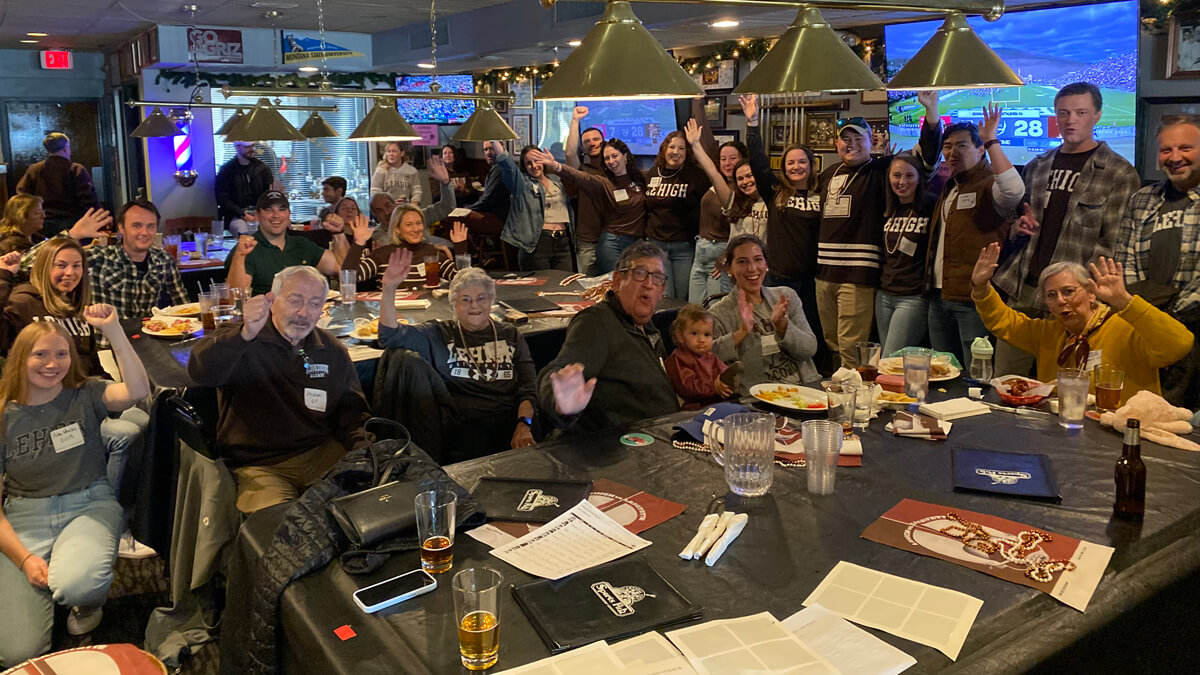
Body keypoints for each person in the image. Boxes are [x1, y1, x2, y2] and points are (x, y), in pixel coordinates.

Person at [0, 307, 150, 663]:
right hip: (24, 515)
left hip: (88, 503)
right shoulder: (4, 415)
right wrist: (23, 560)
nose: (52, 364)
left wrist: (113, 330)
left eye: (61, 354)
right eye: (41, 354)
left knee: (77, 584)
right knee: (16, 653)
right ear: (21, 358)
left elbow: (138, 389)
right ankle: (47, 582)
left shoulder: (85, 394)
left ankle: (83, 603)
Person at [0, 240, 152, 558]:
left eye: (76, 266)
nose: (70, 273)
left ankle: (131, 511)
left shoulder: (75, 306)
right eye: (61, 265)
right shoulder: (25, 301)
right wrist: (3, 278)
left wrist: (108, 390)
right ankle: (114, 521)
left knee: (144, 416)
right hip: (51, 410)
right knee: (125, 435)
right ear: (43, 267)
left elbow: (88, 365)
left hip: (84, 397)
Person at [187, 266, 372, 514]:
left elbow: (353, 415)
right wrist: (243, 335)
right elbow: (200, 371)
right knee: (278, 529)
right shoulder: (244, 339)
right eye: (295, 300)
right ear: (271, 301)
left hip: (320, 453)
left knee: (363, 511)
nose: (304, 313)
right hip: (259, 465)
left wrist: (366, 458)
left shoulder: (331, 349)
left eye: (315, 304)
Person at [990, 82, 1141, 376]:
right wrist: (1019, 227)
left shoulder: (1119, 173)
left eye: (1080, 112)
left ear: (1097, 115)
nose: (1071, 120)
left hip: (1075, 304)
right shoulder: (1037, 165)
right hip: (1025, 291)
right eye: (1063, 113)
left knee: (1069, 394)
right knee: (1006, 387)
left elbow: (1115, 247)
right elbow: (1019, 223)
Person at [972, 244, 1192, 406]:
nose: (1060, 301)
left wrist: (1125, 300)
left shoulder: (1125, 327)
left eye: (1068, 291)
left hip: (1122, 431)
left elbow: (1180, 344)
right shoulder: (1051, 332)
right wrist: (981, 287)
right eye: (1051, 295)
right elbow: (1005, 323)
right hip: (1060, 428)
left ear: (1091, 293)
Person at [816, 92, 942, 368]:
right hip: (824, 273)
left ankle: (853, 400)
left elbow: (928, 156)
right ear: (836, 143)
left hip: (858, 274)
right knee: (832, 344)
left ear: (870, 141)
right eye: (845, 140)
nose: (851, 145)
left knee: (851, 349)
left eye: (858, 139)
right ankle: (841, 391)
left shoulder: (881, 171)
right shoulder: (828, 174)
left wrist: (931, 111)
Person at [378, 261, 537, 461]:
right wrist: (389, 289)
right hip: (463, 425)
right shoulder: (439, 333)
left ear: (491, 300)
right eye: (466, 300)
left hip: (510, 417)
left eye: (481, 298)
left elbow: (528, 388)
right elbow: (389, 336)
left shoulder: (510, 333)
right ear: (454, 304)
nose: (475, 306)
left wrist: (524, 424)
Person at [538, 241, 679, 433]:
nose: (648, 284)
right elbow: (557, 369)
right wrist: (560, 403)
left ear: (662, 291)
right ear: (617, 281)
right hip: (620, 449)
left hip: (658, 441)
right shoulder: (597, 322)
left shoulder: (650, 329)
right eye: (639, 273)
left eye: (657, 278)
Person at [926, 107, 1024, 365]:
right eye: (947, 146)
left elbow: (1014, 192)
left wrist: (991, 140)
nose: (952, 152)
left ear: (980, 150)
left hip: (973, 300)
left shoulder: (990, 182)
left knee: (976, 377)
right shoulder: (951, 185)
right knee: (943, 374)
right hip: (939, 295)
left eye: (962, 146)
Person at [1116, 114, 1200, 408]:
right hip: (1147, 327)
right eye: (1166, 150)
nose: (1175, 157)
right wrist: (1145, 313)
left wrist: (1171, 314)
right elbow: (1124, 262)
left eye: (1185, 148)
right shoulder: (1143, 199)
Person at [22, 198, 187, 320]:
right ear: (121, 228)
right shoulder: (99, 257)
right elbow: (25, 261)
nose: (144, 232)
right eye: (136, 225)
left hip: (148, 342)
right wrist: (73, 234)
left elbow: (183, 305)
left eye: (150, 226)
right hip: (105, 346)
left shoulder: (163, 259)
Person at [709, 234, 819, 392]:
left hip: (806, 388)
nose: (752, 268)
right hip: (760, 399)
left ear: (766, 264)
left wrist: (784, 328)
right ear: (729, 269)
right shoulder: (718, 314)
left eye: (758, 259)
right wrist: (741, 333)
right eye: (742, 261)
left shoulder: (785, 296)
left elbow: (809, 349)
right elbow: (708, 360)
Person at [540, 139, 647, 274]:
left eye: (615, 156)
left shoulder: (642, 178)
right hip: (613, 243)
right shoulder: (604, 182)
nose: (611, 161)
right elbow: (579, 177)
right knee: (615, 285)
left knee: (635, 284)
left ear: (625, 156)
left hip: (638, 244)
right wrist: (556, 166)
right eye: (607, 158)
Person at [876, 154, 936, 355]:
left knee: (888, 359)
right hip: (884, 295)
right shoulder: (886, 209)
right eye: (897, 175)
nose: (902, 182)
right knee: (891, 362)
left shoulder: (931, 206)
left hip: (913, 297)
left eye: (909, 176)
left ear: (919, 178)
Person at [226, 191, 341, 296]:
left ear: (289, 214)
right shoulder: (247, 249)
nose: (276, 215)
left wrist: (339, 233)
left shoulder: (302, 244)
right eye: (268, 210)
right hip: (266, 317)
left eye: (282, 209)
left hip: (307, 315)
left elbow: (341, 268)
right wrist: (239, 256)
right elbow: (236, 299)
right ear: (258, 215)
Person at [643, 127, 712, 299]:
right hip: (656, 245)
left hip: (684, 247)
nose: (676, 152)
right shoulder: (652, 174)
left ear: (687, 152)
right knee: (661, 297)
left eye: (681, 148)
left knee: (681, 298)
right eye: (672, 147)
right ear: (664, 150)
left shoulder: (696, 176)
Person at [491, 142, 574, 272]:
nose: (534, 166)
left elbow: (575, 177)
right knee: (539, 288)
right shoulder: (523, 185)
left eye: (537, 161)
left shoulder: (556, 181)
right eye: (529, 163)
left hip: (563, 242)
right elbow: (508, 167)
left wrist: (555, 164)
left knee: (563, 287)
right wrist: (494, 141)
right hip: (537, 243)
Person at [344, 207, 467, 290]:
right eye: (409, 225)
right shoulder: (381, 254)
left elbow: (463, 280)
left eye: (419, 223)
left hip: (429, 314)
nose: (416, 229)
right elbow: (349, 279)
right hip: (392, 314)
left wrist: (460, 246)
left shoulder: (432, 252)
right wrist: (359, 243)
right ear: (397, 229)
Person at [689, 137, 746, 303]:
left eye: (733, 158)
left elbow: (742, 230)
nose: (727, 163)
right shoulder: (716, 183)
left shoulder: (743, 190)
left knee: (715, 311)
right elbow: (711, 171)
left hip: (721, 254)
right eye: (723, 159)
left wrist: (726, 256)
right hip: (700, 252)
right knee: (694, 310)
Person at [15, 132, 101, 238]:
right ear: (65, 148)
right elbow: (89, 199)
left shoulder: (35, 169)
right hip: (73, 225)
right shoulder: (75, 169)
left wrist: (35, 213)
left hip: (42, 225)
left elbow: (22, 195)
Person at [371, 155, 457, 247]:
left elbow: (446, 207)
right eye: (379, 211)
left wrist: (445, 183)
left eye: (388, 205)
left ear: (395, 204)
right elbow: (393, 247)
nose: (386, 212)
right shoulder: (378, 233)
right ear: (376, 217)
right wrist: (431, 247)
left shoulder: (415, 215)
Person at [563, 107, 607, 276]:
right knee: (587, 286)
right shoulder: (581, 171)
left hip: (614, 239)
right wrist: (575, 121)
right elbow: (569, 153)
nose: (592, 143)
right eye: (587, 141)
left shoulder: (614, 169)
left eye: (596, 139)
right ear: (583, 148)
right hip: (588, 239)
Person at [665, 304, 732, 410]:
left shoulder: (710, 357)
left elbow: (723, 370)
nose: (701, 340)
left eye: (707, 335)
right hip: (692, 409)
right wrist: (713, 387)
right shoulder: (678, 360)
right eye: (694, 333)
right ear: (680, 336)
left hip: (714, 404)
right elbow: (688, 387)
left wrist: (725, 379)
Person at [215, 140, 275, 235]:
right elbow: (223, 199)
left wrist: (260, 211)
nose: (252, 149)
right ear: (237, 147)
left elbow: (268, 195)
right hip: (236, 215)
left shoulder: (262, 168)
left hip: (260, 213)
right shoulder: (227, 170)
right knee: (243, 232)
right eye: (247, 147)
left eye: (253, 146)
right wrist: (242, 215)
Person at [370, 142, 421, 206]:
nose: (391, 154)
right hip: (388, 209)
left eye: (394, 151)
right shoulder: (381, 170)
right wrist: (390, 204)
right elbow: (375, 193)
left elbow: (417, 191)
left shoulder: (412, 171)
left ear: (402, 153)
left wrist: (414, 204)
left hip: (406, 207)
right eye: (388, 151)